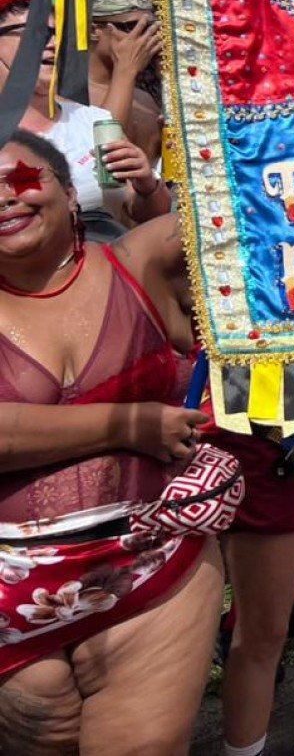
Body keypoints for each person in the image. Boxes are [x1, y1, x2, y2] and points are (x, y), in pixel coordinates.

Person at [0, 132, 226, 755]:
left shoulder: (139, 262)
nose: (4, 200)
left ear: (71, 193)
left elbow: (245, 199)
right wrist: (131, 424)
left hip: (154, 575)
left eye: (19, 180)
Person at [0, 0, 169, 240]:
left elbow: (140, 212)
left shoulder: (94, 121)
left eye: (58, 34)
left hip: (97, 267)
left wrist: (147, 185)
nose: (53, 43)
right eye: (36, 33)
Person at [86, 0, 164, 164]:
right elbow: (102, 161)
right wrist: (126, 71)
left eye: (149, 27)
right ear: (93, 30)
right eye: (132, 27)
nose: (145, 37)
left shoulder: (144, 98)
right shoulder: (69, 97)